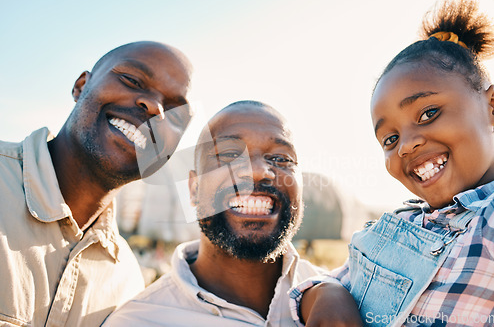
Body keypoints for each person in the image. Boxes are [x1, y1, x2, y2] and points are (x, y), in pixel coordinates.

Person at [291, 0, 494, 327]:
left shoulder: (493, 218)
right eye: (390, 139)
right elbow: (321, 285)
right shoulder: (397, 225)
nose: (406, 145)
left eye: (428, 113)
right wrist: (328, 295)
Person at [103, 100, 363, 326]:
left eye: (281, 158)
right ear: (193, 189)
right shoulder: (140, 321)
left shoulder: (356, 302)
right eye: (229, 155)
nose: (258, 171)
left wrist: (330, 289)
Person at [0, 41, 193, 326]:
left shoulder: (126, 284)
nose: (154, 107)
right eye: (132, 80)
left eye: (175, 112)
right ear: (81, 85)